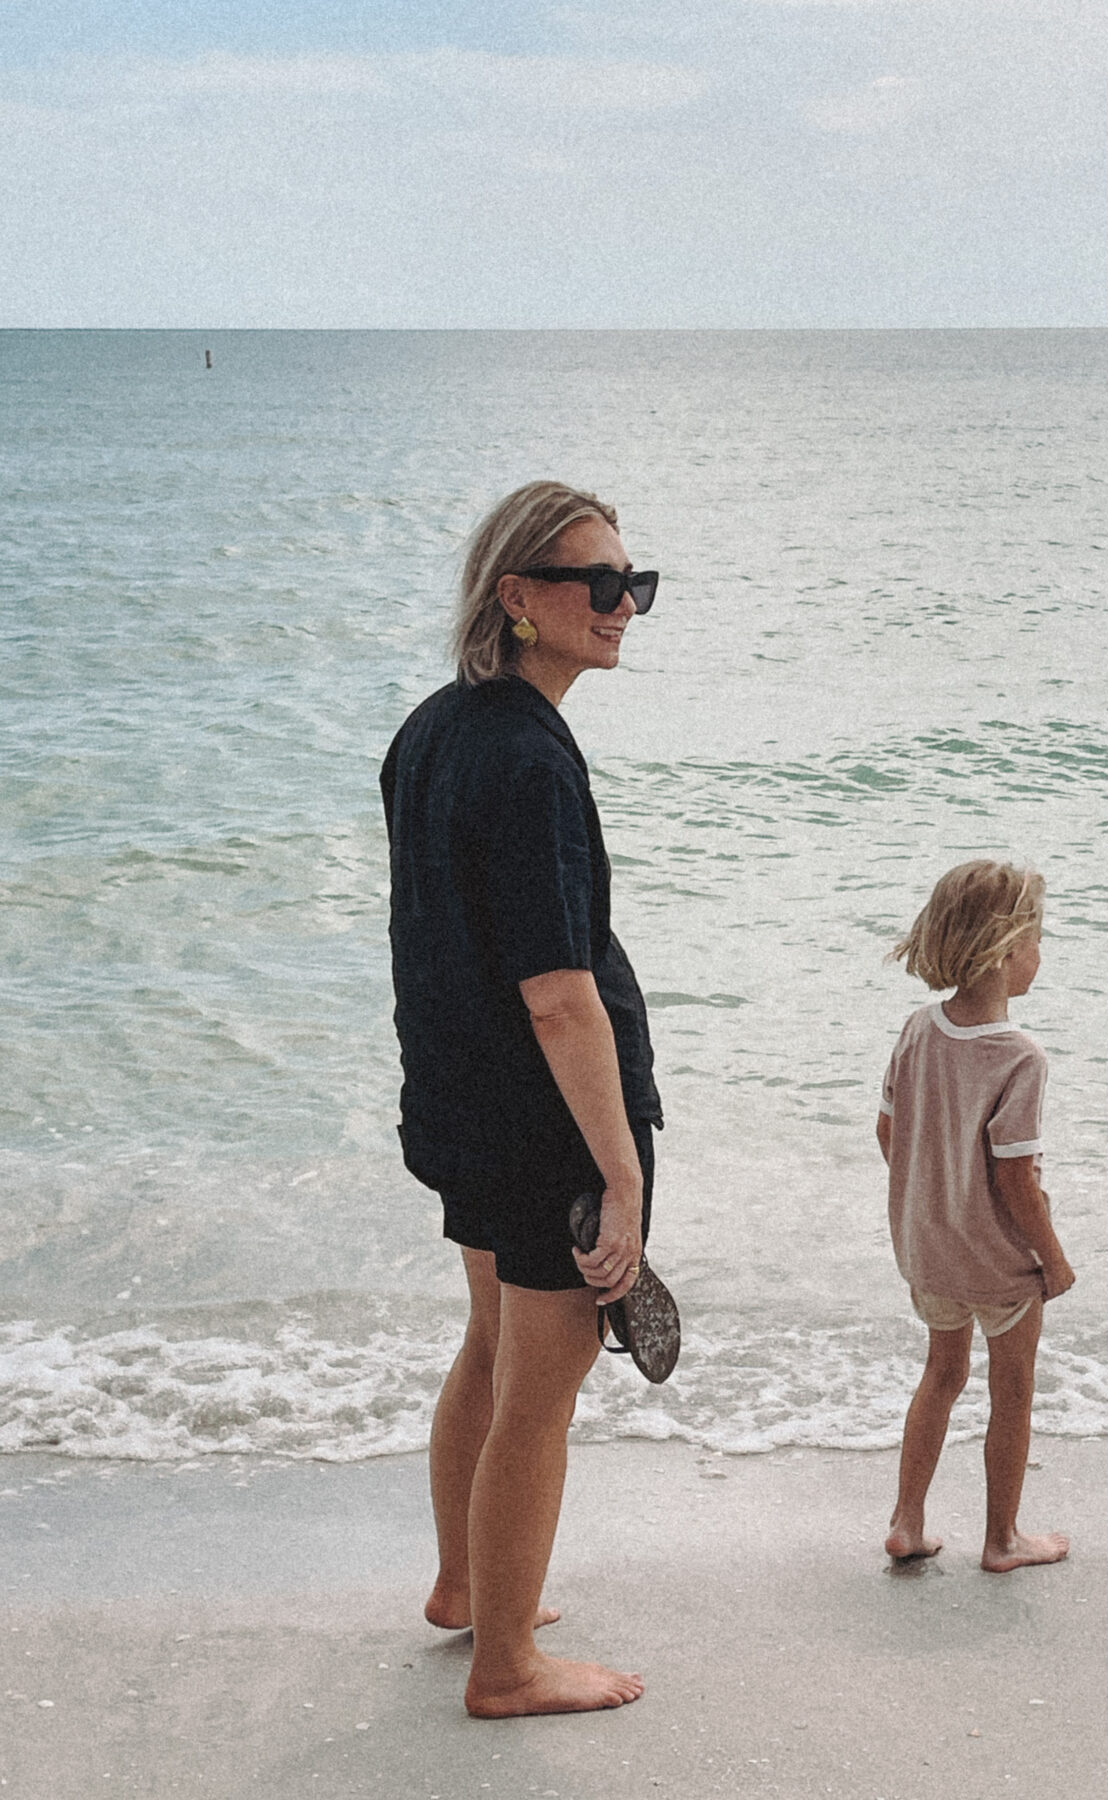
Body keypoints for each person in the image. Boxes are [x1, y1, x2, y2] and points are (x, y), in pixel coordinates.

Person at [380, 481, 664, 1716]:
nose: (621, 607)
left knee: (491, 1355)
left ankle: (464, 1588)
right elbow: (558, 993)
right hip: (538, 1121)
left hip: (458, 1102)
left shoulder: (434, 729)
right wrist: (619, 1170)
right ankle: (505, 1666)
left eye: (634, 585)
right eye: (596, 584)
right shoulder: (533, 763)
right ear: (518, 597)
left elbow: (434, 935)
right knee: (539, 1399)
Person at [876, 860, 1075, 1573]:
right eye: (1037, 939)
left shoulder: (916, 1030)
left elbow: (888, 1134)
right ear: (1005, 948)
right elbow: (1016, 1178)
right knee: (1012, 1390)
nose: (1041, 955)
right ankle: (1002, 1539)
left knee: (940, 1374)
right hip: (999, 1261)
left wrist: (933, 1201)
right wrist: (1051, 1258)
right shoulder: (1019, 1054)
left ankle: (907, 1520)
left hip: (929, 1252)